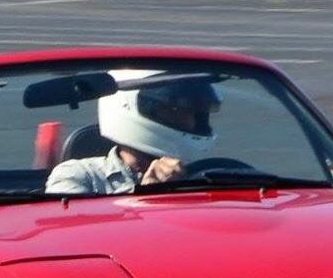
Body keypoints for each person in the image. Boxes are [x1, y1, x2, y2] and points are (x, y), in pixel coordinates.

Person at [46, 73, 221, 195]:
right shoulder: (78, 175)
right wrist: (146, 194)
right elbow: (71, 233)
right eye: (175, 110)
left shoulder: (205, 177)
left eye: (193, 113)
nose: (188, 122)